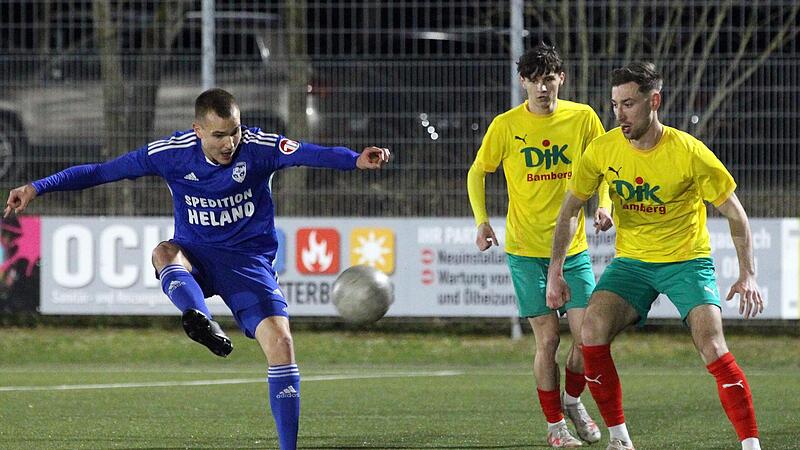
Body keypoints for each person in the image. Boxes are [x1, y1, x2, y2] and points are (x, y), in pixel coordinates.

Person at [4, 88, 390, 450]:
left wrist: (354, 159)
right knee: (164, 252)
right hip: (197, 255)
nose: (229, 143)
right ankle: (199, 317)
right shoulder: (171, 153)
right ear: (198, 131)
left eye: (235, 132)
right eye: (220, 135)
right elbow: (104, 171)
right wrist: (38, 187)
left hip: (247, 262)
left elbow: (310, 152)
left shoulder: (258, 147)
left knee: (282, 346)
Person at [546, 62, 763, 450]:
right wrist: (555, 271)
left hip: (686, 261)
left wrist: (748, 274)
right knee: (591, 331)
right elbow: (568, 210)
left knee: (712, 346)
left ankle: (750, 445)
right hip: (632, 264)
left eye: (628, 104)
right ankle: (620, 440)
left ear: (654, 101)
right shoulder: (603, 148)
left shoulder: (688, 152)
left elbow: (735, 213)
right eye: (615, 105)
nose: (619, 115)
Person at [467, 42, 613, 448]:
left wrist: (605, 206)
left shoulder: (583, 118)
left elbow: (605, 167)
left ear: (560, 79)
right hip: (525, 251)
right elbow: (477, 172)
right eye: (534, 80)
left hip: (574, 251)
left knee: (589, 340)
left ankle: (572, 401)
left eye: (549, 79)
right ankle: (555, 426)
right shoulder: (506, 125)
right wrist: (482, 221)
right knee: (548, 340)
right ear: (523, 83)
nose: (542, 88)